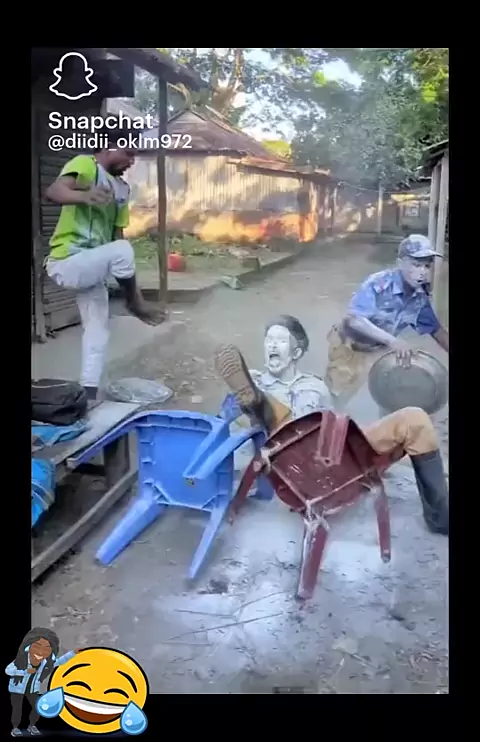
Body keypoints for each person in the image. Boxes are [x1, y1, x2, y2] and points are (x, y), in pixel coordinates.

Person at [214, 314, 448, 535]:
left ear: (296, 352)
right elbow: (224, 432)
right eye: (269, 340)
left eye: (281, 340)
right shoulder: (251, 381)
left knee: (410, 420)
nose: (273, 345)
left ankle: (262, 406)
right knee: (413, 419)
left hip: (322, 460)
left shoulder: (313, 386)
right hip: (297, 470)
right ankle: (441, 517)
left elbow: (331, 428)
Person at [44, 130, 161, 403]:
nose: (131, 161)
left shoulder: (122, 189)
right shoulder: (86, 165)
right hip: (67, 261)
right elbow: (54, 191)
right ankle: (134, 303)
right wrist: (84, 196)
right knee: (122, 250)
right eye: (128, 153)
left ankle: (88, 392)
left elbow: (117, 236)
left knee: (98, 329)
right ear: (108, 147)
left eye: (134, 155)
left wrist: (117, 270)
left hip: (91, 266)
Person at [324, 234, 449, 409]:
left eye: (427, 266)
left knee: (384, 397)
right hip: (349, 346)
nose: (423, 272)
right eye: (416, 265)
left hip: (379, 351)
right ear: (400, 263)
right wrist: (393, 341)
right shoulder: (379, 284)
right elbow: (354, 320)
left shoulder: (419, 298)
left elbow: (437, 332)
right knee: (339, 397)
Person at [6, 627, 79, 737]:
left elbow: (59, 661)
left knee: (38, 707)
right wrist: (25, 671)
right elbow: (8, 670)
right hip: (17, 689)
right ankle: (15, 728)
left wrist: (73, 653)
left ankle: (32, 726)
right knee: (17, 709)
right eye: (37, 646)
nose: (40, 652)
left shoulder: (46, 663)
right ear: (28, 647)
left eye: (46, 649)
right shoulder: (20, 660)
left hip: (32, 689)